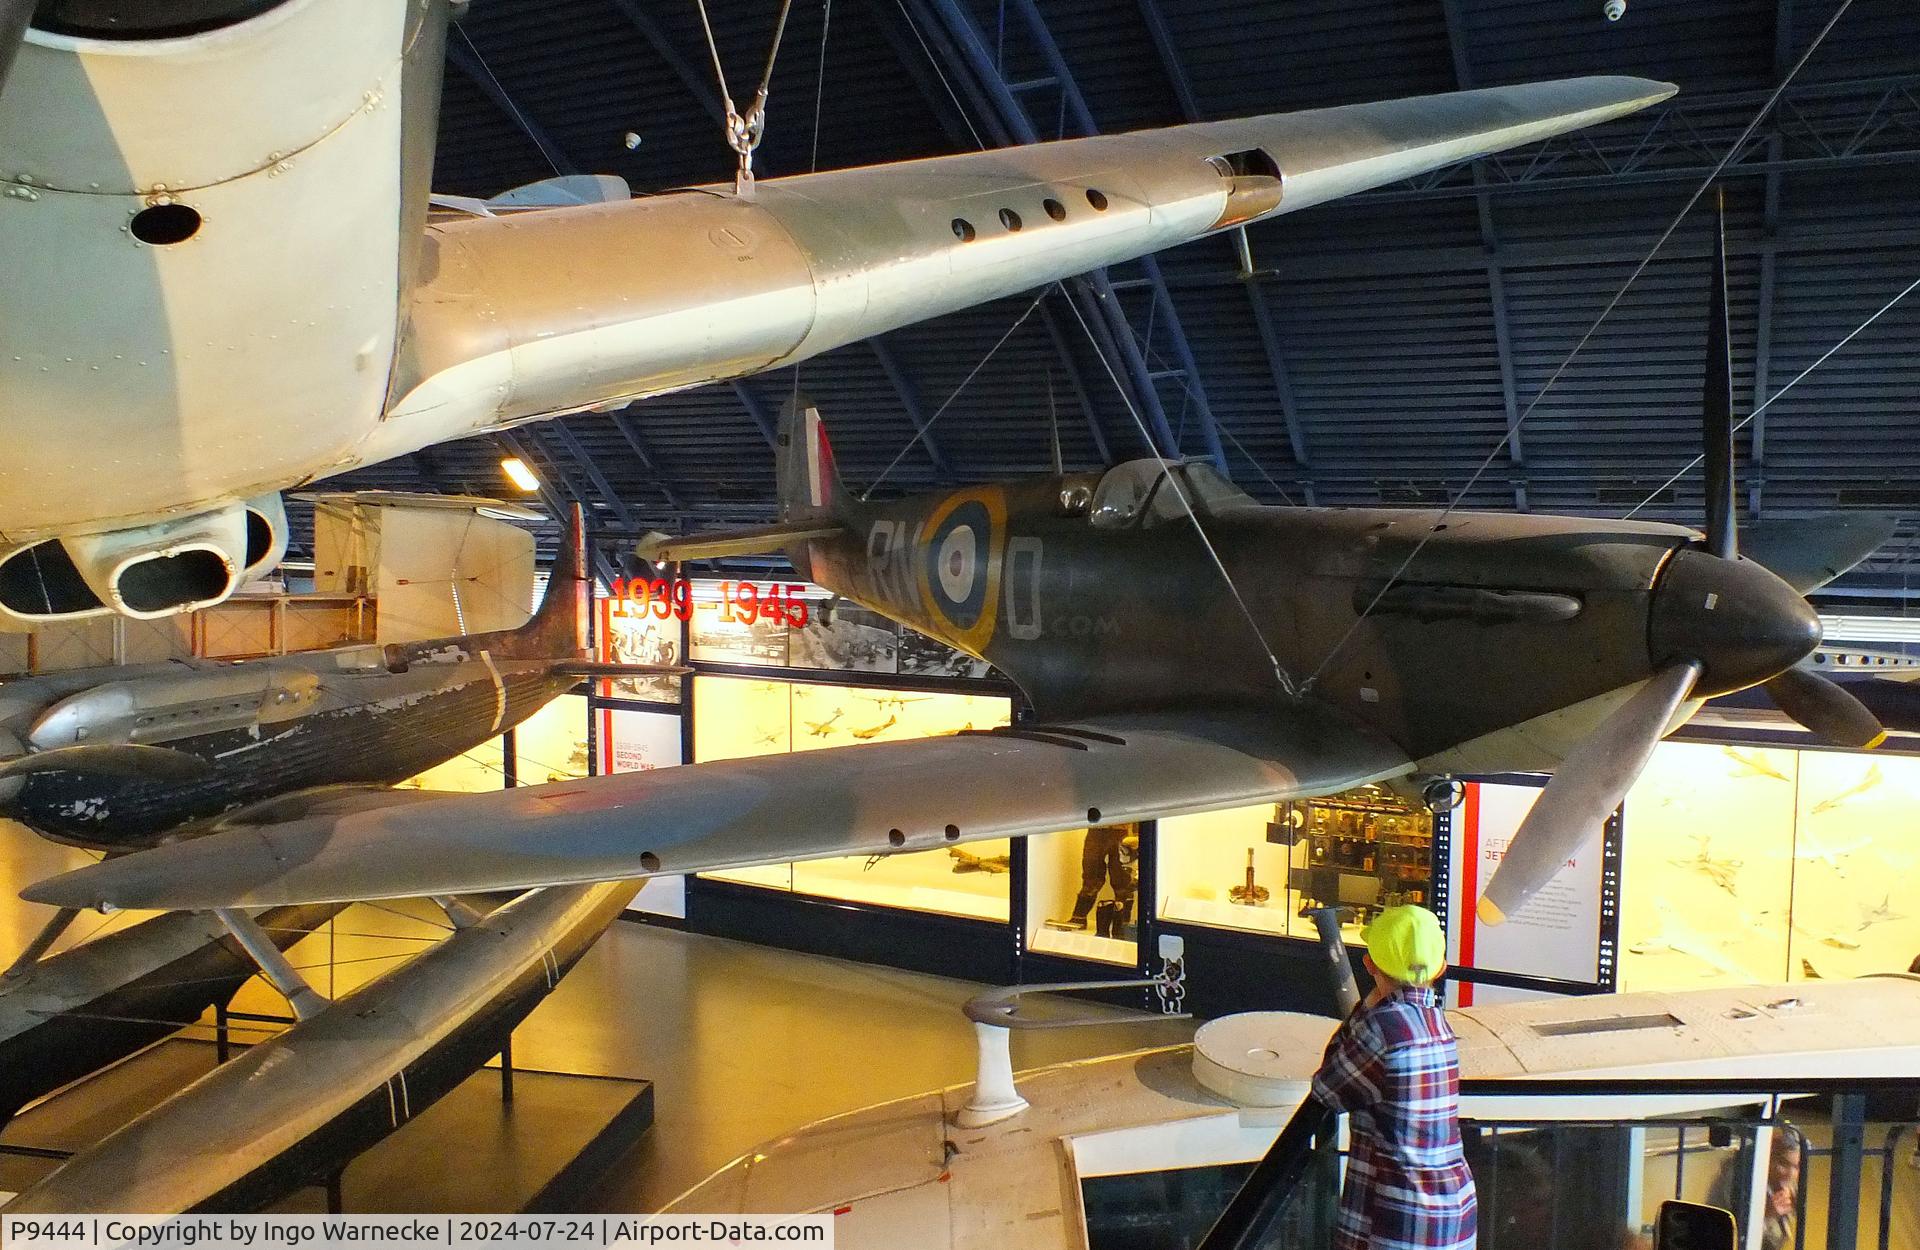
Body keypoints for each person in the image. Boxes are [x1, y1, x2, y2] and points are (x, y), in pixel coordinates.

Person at [1311, 904, 1477, 1250]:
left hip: (1400, 1220)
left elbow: (1326, 1087)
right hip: (1451, 1212)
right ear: (1442, 968)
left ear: (1370, 964)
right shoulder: (1438, 1026)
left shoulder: (1383, 1027)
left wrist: (1365, 1008)